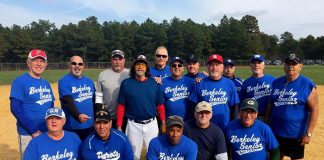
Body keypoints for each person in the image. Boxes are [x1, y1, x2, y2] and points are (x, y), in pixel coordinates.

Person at [266, 54, 319, 160]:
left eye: (294, 64)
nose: (290, 66)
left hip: (296, 134)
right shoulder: (276, 82)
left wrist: (308, 133)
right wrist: (267, 122)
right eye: (288, 63)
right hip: (276, 131)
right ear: (284, 66)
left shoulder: (307, 84)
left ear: (300, 66)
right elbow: (271, 103)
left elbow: (315, 110)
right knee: (276, 157)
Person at [116, 55, 166, 160]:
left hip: (151, 124)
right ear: (134, 67)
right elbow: (121, 106)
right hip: (133, 124)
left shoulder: (154, 83)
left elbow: (160, 105)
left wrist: (163, 122)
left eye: (143, 65)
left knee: (155, 154)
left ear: (146, 68)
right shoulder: (126, 84)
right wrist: (119, 126)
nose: (140, 67)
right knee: (133, 155)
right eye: (138, 64)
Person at [10, 49, 55, 158]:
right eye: (35, 60)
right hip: (28, 133)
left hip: (46, 131)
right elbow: (15, 108)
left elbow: (51, 106)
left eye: (42, 61)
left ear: (46, 64)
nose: (39, 64)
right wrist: (33, 130)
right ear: (28, 62)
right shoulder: (20, 81)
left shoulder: (46, 83)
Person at [189, 54, 239, 131]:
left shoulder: (229, 83)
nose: (214, 68)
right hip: (204, 128)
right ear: (208, 67)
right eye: (211, 65)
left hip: (225, 127)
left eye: (217, 65)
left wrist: (234, 126)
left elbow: (234, 107)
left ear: (222, 67)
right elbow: (193, 107)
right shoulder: (200, 84)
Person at [58, 56, 95, 140]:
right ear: (69, 65)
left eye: (80, 64)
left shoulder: (89, 81)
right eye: (74, 63)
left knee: (87, 151)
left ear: (83, 66)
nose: (77, 66)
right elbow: (68, 102)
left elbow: (94, 101)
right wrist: (77, 115)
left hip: (90, 125)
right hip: (73, 126)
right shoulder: (64, 81)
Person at [95, 50, 130, 129]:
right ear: (111, 60)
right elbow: (99, 96)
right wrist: (99, 111)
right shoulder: (103, 75)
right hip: (109, 116)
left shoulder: (130, 74)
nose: (117, 62)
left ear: (124, 60)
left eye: (120, 59)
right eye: (115, 59)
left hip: (127, 116)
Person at [240, 54, 275, 120]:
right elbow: (242, 102)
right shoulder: (246, 83)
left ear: (264, 65)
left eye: (259, 63)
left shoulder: (272, 80)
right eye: (254, 63)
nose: (256, 65)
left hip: (271, 117)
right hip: (252, 118)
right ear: (250, 65)